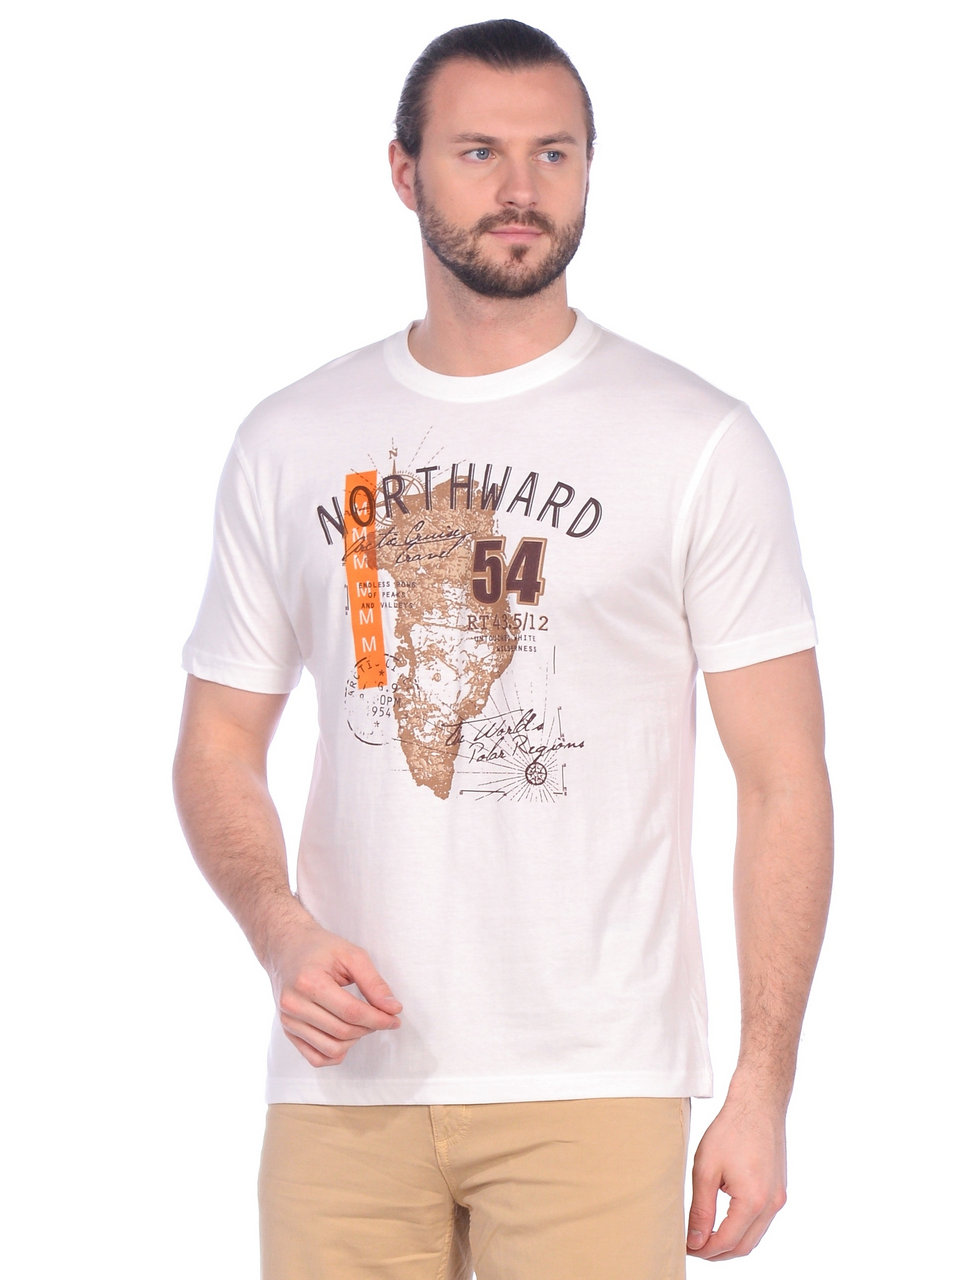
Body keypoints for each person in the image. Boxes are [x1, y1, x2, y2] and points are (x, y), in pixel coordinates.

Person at [173, 18, 833, 1280]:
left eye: (554, 153)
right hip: (343, 1081)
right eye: (479, 152)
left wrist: (761, 1086)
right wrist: (280, 931)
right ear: (404, 170)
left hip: (596, 1076)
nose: (521, 189)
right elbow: (216, 740)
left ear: (589, 168)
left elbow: (784, 779)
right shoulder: (290, 439)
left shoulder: (697, 440)